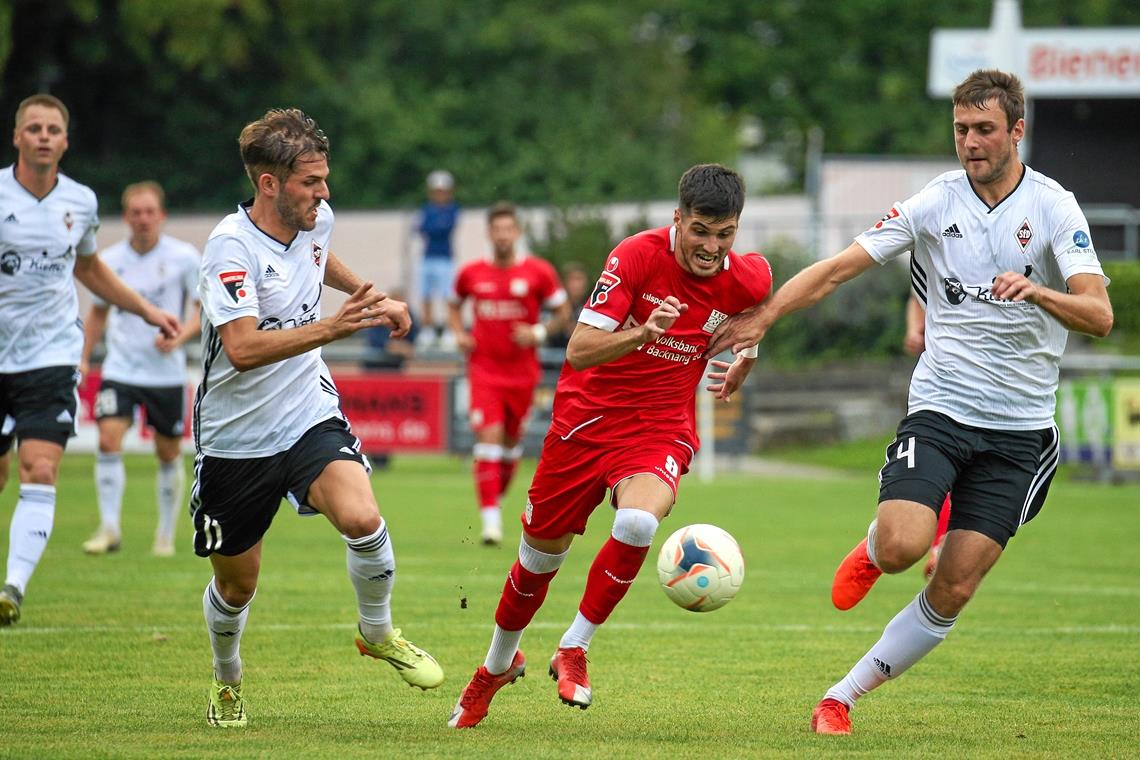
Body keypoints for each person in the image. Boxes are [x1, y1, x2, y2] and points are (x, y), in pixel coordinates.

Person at [706, 69, 1112, 735]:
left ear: (1016, 131)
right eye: (961, 130)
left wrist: (1039, 291)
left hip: (1020, 435)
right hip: (942, 408)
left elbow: (1098, 314)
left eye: (985, 129)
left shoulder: (1054, 208)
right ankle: (872, 548)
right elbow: (839, 267)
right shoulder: (934, 202)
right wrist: (766, 317)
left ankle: (840, 697)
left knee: (953, 585)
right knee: (902, 547)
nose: (971, 143)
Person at [447, 164, 772, 729]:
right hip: (585, 423)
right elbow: (578, 349)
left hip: (659, 426)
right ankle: (495, 665)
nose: (712, 248)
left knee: (640, 523)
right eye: (700, 232)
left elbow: (760, 307)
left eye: (725, 236)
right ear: (678, 219)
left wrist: (751, 349)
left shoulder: (748, 276)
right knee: (536, 562)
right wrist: (644, 333)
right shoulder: (635, 257)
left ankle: (575, 647)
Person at [192, 108, 442, 728]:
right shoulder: (229, 247)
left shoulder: (315, 218)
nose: (324, 193)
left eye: (324, 179)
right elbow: (244, 350)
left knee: (363, 517)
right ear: (269, 184)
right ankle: (228, 680)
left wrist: (374, 297)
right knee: (238, 588)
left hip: (307, 413)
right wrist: (331, 326)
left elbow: (317, 252)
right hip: (236, 439)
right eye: (311, 182)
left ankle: (378, 632)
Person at [0, 95, 181, 627]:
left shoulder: (80, 202)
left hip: (51, 355)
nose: (42, 136)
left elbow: (91, 270)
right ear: (17, 137)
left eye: (52, 129)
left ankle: (12, 588)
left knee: (42, 467)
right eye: (32, 127)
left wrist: (147, 310)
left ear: (64, 141)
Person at [80, 181, 201, 557]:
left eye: (150, 212)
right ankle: (110, 529)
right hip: (121, 367)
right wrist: (84, 358)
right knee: (107, 439)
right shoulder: (110, 260)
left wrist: (179, 339)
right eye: (135, 212)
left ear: (161, 215)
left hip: (165, 371)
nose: (143, 219)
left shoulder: (183, 257)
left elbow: (203, 309)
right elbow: (98, 311)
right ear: (126, 217)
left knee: (167, 453)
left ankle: (164, 536)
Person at [447, 202, 570, 546]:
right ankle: (491, 523)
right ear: (489, 234)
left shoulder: (538, 272)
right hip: (484, 369)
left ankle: (493, 500)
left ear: (517, 233)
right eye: (496, 229)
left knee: (511, 444)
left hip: (522, 372)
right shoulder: (471, 273)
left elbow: (563, 311)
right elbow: (453, 305)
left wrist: (538, 333)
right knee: (489, 439)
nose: (502, 235)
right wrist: (459, 333)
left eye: (508, 229)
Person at [901, 293, 951, 582]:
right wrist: (913, 329)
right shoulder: (938, 251)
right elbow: (917, 294)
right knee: (933, 468)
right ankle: (936, 543)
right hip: (935, 385)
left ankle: (940, 544)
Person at [416, 169, 460, 348]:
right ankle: (428, 329)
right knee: (426, 293)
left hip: (445, 258)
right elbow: (424, 228)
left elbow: (441, 228)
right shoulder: (427, 208)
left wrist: (433, 227)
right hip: (428, 256)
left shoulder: (453, 209)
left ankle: (449, 329)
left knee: (448, 295)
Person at [545, 261, 590, 349]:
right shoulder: (554, 304)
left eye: (579, 279)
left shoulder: (591, 306)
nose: (576, 285)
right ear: (564, 282)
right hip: (551, 356)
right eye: (572, 279)